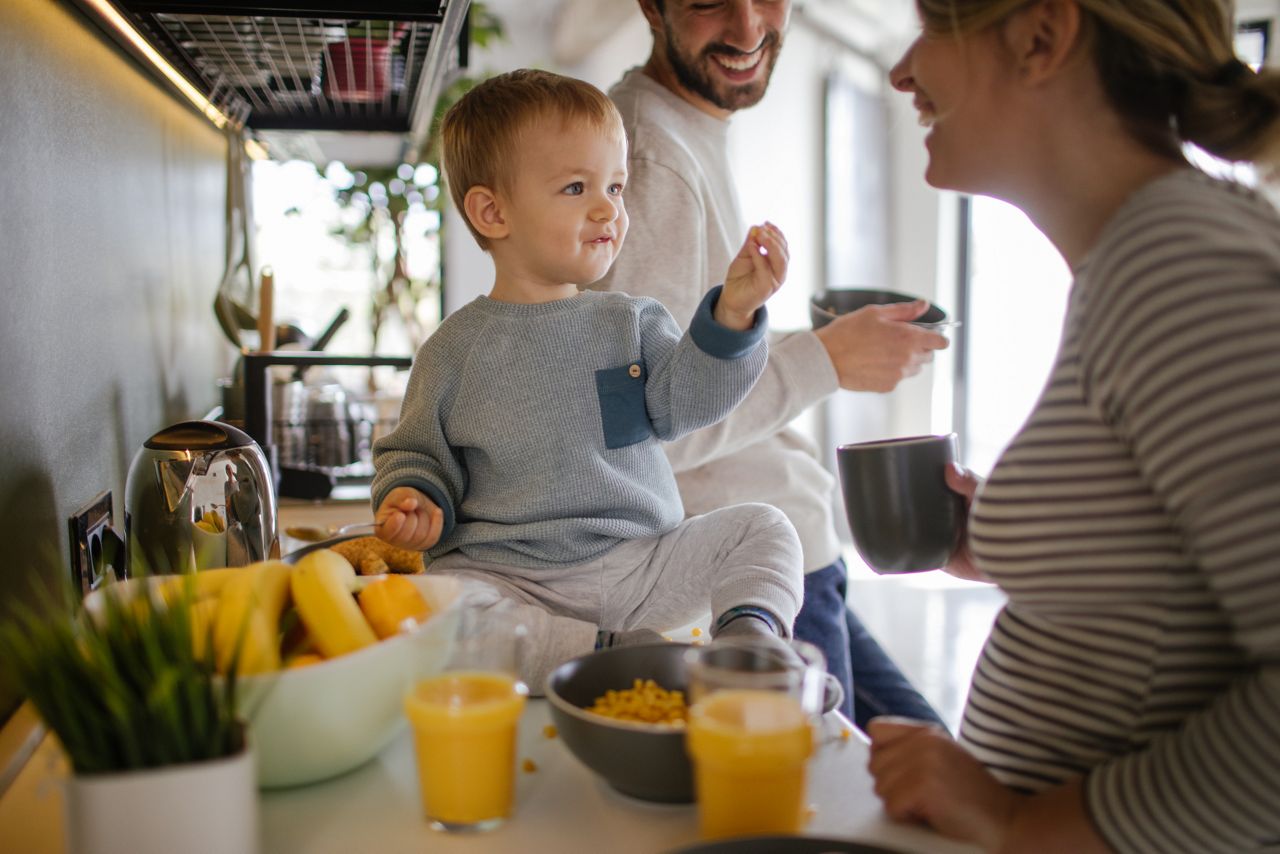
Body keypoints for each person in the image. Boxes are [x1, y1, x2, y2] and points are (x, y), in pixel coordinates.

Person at [866, 1, 1280, 852]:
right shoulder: (1142, 257)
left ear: (1041, 37)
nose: (903, 70)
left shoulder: (1179, 266)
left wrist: (1021, 822)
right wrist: (1042, 544)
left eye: (934, 26)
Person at [370, 69, 805, 693]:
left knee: (765, 527)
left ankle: (746, 643)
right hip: (508, 577)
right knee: (440, 607)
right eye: (577, 187)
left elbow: (690, 402)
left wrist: (732, 317)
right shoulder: (452, 351)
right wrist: (415, 499)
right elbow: (417, 455)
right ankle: (614, 657)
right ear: (492, 212)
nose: (609, 209)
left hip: (641, 566)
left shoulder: (630, 320)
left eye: (617, 187)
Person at [593, 0, 951, 728]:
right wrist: (823, 360)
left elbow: (685, 353)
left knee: (922, 757)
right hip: (749, 574)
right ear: (649, 7)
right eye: (709, 2)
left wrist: (805, 342)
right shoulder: (651, 155)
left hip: (790, 552)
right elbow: (648, 427)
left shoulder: (681, 129)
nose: (750, 28)